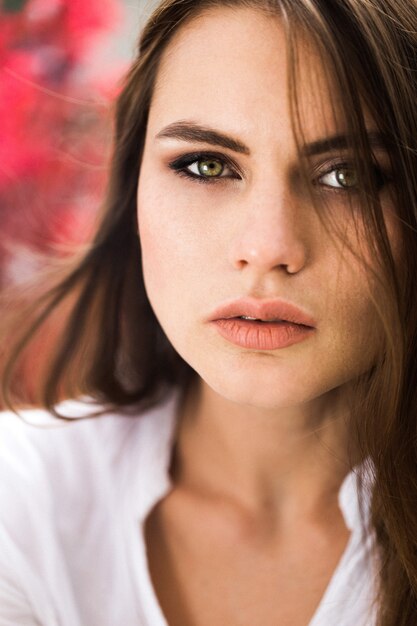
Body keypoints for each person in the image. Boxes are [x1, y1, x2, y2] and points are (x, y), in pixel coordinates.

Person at [0, 0, 416, 624]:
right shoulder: (21, 506)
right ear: (133, 187)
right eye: (207, 165)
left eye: (347, 175)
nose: (268, 247)